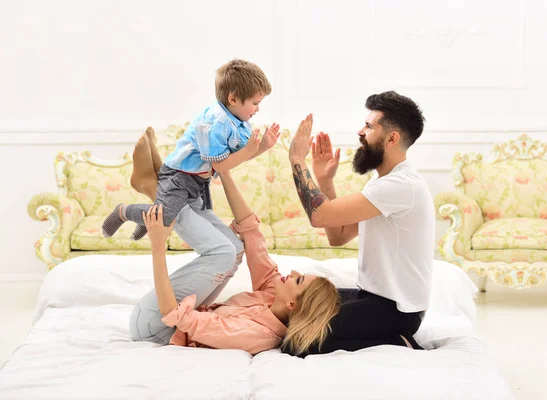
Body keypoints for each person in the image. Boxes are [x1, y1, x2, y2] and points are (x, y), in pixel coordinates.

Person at [130, 161, 340, 355]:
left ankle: (161, 190)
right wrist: (224, 172)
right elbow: (251, 234)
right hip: (170, 319)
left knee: (223, 254)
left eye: (299, 279)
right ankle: (172, 188)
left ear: (292, 305)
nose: (293, 272)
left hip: (158, 329)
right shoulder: (271, 296)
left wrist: (158, 245)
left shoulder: (255, 334)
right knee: (236, 250)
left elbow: (173, 314)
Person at [286, 91, 435, 355]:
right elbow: (338, 237)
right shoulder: (381, 182)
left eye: (368, 126)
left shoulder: (401, 185)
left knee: (297, 343)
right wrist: (325, 181)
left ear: (392, 138)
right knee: (300, 311)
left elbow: (319, 215)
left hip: (396, 310)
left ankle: (398, 341)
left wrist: (297, 160)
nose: (360, 132)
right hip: (370, 297)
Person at [101, 59, 280, 241]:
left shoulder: (237, 121)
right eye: (255, 103)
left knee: (192, 219)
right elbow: (221, 166)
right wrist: (250, 149)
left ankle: (149, 215)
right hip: (179, 175)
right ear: (233, 99)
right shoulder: (215, 124)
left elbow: (237, 158)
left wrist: (263, 146)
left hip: (196, 179)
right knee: (164, 217)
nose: (257, 110)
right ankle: (123, 212)